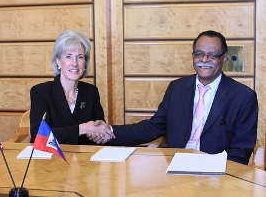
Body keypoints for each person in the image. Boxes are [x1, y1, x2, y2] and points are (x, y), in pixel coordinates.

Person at [97, 30, 258, 165]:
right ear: (193, 56)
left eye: (212, 55)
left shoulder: (243, 97)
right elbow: (153, 127)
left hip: (215, 171)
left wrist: (223, 179)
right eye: (199, 54)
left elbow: (240, 151)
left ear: (225, 57)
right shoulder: (177, 88)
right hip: (175, 165)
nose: (204, 60)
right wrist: (110, 130)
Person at [30, 30, 114, 145]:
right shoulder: (41, 92)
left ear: (85, 63)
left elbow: (97, 128)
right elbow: (39, 136)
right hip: (52, 159)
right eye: (68, 56)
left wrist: (100, 134)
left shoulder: (91, 92)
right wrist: (83, 129)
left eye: (80, 57)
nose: (74, 63)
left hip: (85, 159)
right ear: (58, 61)